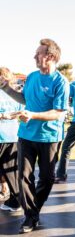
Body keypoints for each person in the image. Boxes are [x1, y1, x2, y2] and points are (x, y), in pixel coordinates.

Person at [0, 39, 69, 234]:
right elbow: (25, 100)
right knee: (23, 177)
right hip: (26, 135)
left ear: (51, 57)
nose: (34, 56)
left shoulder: (60, 82)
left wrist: (33, 115)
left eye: (38, 53)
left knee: (47, 179)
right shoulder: (31, 77)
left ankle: (33, 210)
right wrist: (6, 88)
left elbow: (58, 112)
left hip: (49, 137)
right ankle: (30, 216)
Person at [0, 67, 23, 208]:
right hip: (13, 135)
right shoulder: (14, 94)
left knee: (10, 169)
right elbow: (21, 112)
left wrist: (3, 116)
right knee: (10, 169)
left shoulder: (13, 93)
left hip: (5, 135)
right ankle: (7, 192)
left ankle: (16, 201)